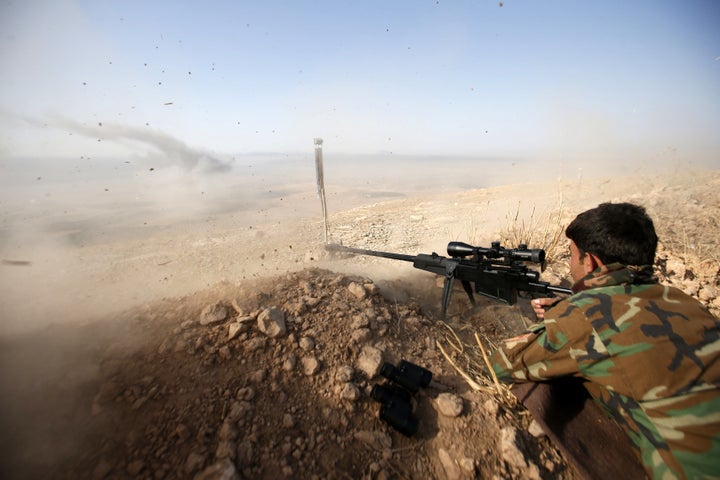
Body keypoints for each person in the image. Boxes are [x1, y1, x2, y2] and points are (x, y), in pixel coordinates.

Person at [490, 202, 720, 479]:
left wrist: (560, 320)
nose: (571, 265)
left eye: (572, 256)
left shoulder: (585, 315)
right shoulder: (684, 301)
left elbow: (501, 363)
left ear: (592, 262)